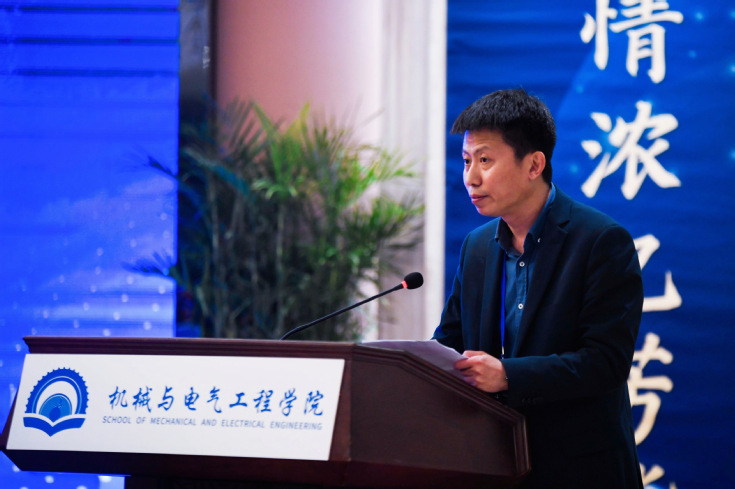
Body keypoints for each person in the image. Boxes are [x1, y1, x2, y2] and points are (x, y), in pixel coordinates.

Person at [433, 88, 644, 488]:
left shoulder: (600, 241)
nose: (471, 178)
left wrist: (508, 376)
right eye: (466, 161)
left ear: (534, 165)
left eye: (485, 160)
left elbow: (606, 363)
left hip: (580, 471)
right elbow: (451, 342)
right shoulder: (477, 246)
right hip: (494, 463)